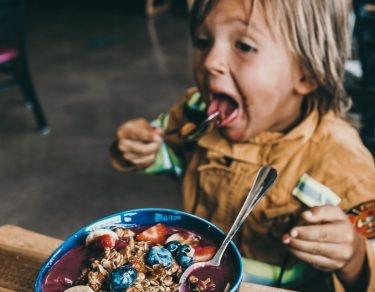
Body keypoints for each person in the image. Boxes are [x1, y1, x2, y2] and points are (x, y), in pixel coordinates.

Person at [110, 0, 375, 291]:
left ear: (307, 73)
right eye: (202, 41)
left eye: (244, 46)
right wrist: (144, 149)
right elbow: (176, 156)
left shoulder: (345, 164)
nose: (210, 61)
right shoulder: (197, 110)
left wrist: (354, 257)